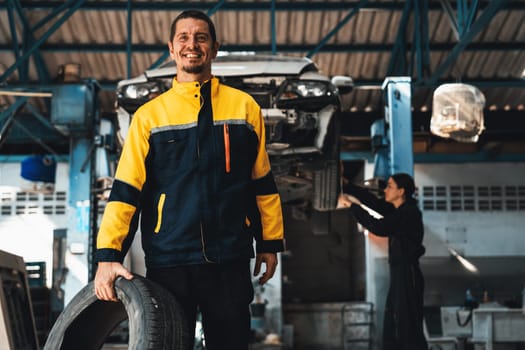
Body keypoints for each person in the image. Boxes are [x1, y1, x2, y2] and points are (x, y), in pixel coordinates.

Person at [94, 10, 285, 350]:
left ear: (214, 48)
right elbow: (126, 192)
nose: (191, 44)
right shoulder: (149, 116)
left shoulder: (245, 108)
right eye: (183, 37)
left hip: (229, 259)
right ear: (171, 49)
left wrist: (269, 243)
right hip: (170, 262)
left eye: (201, 37)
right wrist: (109, 255)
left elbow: (261, 185)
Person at [338, 173, 428, 350]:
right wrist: (348, 187)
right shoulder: (399, 210)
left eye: (389, 186)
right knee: (393, 324)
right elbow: (376, 204)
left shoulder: (409, 213)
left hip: (407, 274)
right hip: (399, 273)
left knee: (407, 326)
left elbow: (380, 227)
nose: (385, 190)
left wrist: (351, 205)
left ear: (401, 191)